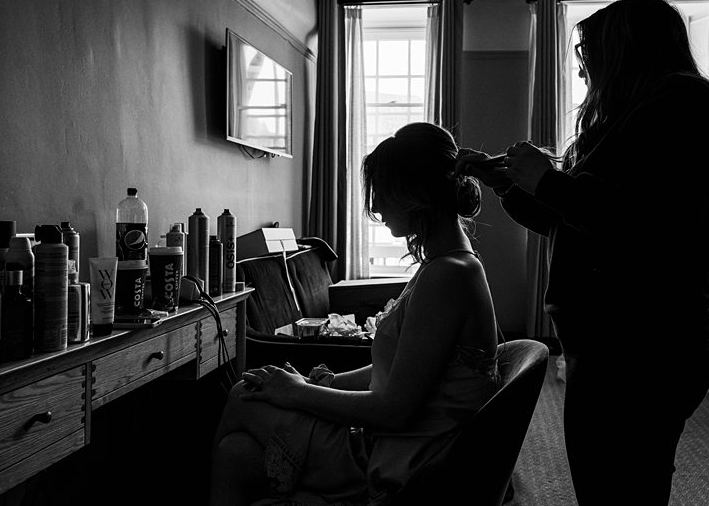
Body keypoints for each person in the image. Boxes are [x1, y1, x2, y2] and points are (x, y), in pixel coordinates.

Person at [456, 0, 709, 506]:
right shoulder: (628, 117)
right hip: (612, 346)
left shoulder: (685, 104)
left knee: (620, 489)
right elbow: (568, 221)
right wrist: (511, 185)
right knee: (613, 486)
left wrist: (549, 181)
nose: (582, 65)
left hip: (645, 346)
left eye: (589, 50)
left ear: (625, 48)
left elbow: (653, 225)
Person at [210, 122, 500, 506]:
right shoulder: (447, 265)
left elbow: (393, 411)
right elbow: (402, 368)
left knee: (242, 396)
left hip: (407, 458)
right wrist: (328, 383)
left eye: (381, 192)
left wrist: (300, 393)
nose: (376, 206)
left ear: (412, 193)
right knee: (235, 453)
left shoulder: (449, 275)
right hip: (402, 440)